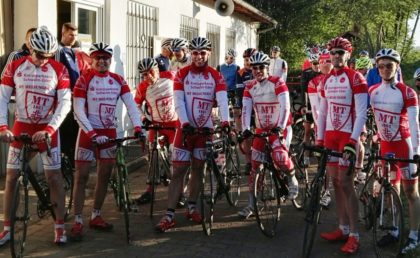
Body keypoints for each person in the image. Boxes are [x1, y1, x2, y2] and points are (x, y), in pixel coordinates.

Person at [0, 26, 71, 245]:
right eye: (40, 55)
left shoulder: (59, 69)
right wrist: (3, 127)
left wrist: (50, 129)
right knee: (11, 178)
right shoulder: (15, 66)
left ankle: (59, 226)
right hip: (22, 127)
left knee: (54, 178)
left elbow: (65, 103)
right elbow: (2, 98)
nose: (43, 60)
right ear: (30, 48)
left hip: (47, 131)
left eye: (48, 56)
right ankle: (7, 228)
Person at [155, 36, 230, 232]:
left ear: (209, 53)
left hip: (205, 130)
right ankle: (169, 214)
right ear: (191, 54)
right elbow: (178, 101)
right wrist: (185, 122)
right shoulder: (182, 74)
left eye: (202, 53)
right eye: (195, 53)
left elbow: (222, 99)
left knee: (198, 169)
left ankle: (191, 206)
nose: (198, 56)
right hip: (185, 130)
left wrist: (226, 122)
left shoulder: (216, 75)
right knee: (178, 171)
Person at [70, 42, 143, 240]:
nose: (102, 61)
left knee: (104, 176)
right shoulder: (84, 79)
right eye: (98, 57)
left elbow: (131, 105)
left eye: (105, 58)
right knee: (81, 177)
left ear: (110, 60)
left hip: (109, 133)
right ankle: (77, 220)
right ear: (91, 59)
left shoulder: (118, 80)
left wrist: (138, 127)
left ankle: (96, 215)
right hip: (88, 133)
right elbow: (77, 110)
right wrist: (93, 134)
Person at [316, 37, 368, 254]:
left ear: (348, 54)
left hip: (347, 136)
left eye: (340, 52)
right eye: (333, 52)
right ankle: (343, 227)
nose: (336, 56)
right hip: (330, 135)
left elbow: (362, 112)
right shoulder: (326, 80)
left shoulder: (355, 78)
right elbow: (323, 111)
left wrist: (353, 142)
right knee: (335, 183)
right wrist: (319, 139)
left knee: (347, 183)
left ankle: (355, 234)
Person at [369, 48, 420, 254]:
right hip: (386, 147)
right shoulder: (373, 91)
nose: (384, 69)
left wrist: (416, 152)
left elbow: (415, 125)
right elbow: (367, 116)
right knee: (391, 190)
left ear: (396, 66)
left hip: (404, 147)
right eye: (381, 66)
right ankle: (396, 230)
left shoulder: (407, 92)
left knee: (411, 192)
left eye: (389, 65)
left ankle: (415, 236)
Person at [238, 52, 297, 218]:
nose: (257, 70)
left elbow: (285, 106)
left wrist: (279, 126)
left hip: (281, 127)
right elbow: (246, 109)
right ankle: (251, 204)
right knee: (255, 168)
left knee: (279, 156)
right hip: (262, 130)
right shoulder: (250, 86)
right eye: (254, 67)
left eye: (261, 67)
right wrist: (245, 129)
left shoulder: (277, 82)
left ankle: (292, 178)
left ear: (267, 68)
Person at [134, 57, 179, 204]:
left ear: (157, 70)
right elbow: (134, 106)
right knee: (152, 155)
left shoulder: (171, 77)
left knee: (176, 158)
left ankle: (180, 191)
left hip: (174, 125)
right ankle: (149, 191)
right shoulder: (142, 87)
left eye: (151, 72)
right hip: (156, 125)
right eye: (144, 75)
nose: (149, 77)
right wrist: (143, 119)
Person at [308, 52, 333, 207]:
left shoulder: (340, 79)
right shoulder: (314, 82)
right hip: (322, 126)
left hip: (340, 125)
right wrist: (321, 128)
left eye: (328, 61)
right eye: (322, 62)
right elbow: (316, 108)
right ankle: (325, 190)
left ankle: (328, 190)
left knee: (334, 163)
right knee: (322, 160)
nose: (325, 64)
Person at [56, 22, 81, 166]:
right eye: (70, 34)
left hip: (76, 98)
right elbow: (58, 73)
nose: (73, 37)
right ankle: (64, 164)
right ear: (63, 33)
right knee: (66, 131)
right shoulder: (59, 51)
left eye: (75, 35)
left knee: (74, 131)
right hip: (65, 98)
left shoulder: (73, 51)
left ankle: (72, 163)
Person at [235, 48, 257, 176]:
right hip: (246, 107)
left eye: (249, 59)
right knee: (247, 136)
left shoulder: (260, 70)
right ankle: (248, 162)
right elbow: (238, 92)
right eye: (245, 59)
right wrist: (238, 108)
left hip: (259, 107)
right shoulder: (241, 72)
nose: (247, 62)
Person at [300, 53, 321, 166]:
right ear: (311, 64)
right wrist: (304, 105)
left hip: (322, 106)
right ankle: (306, 157)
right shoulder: (306, 73)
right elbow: (304, 90)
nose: (317, 66)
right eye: (314, 63)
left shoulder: (325, 73)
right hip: (310, 105)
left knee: (320, 133)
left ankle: (321, 157)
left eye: (319, 63)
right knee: (308, 131)